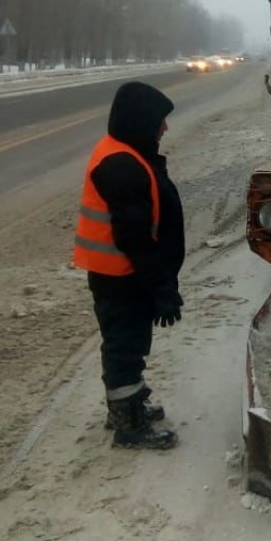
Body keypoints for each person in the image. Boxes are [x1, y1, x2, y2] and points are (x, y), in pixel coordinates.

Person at [73, 81, 185, 449]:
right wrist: (162, 289)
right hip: (120, 275)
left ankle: (128, 406)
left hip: (121, 273)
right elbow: (135, 239)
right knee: (125, 346)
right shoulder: (122, 165)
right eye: (159, 121)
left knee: (127, 343)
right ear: (141, 122)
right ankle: (129, 426)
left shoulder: (127, 153)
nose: (164, 128)